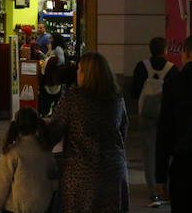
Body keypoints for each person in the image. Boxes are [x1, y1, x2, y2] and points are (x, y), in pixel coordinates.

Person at [49, 52, 128, 213]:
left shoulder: (72, 99)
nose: (77, 73)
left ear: (86, 73)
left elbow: (52, 133)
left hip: (81, 175)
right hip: (114, 171)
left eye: (79, 69)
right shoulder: (116, 99)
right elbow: (123, 129)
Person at [0, 107, 57, 213]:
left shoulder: (12, 152)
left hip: (17, 208)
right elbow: (52, 178)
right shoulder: (45, 150)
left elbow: (0, 186)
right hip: (42, 208)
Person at [132, 37, 177, 208]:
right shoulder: (172, 69)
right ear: (165, 50)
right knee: (167, 151)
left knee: (149, 152)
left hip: (146, 116)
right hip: (166, 116)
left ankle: (153, 191)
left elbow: (134, 91)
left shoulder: (141, 67)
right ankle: (165, 187)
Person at [156, 35, 192, 211]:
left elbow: (165, 131)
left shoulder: (174, 83)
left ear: (187, 53)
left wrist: (160, 175)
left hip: (183, 163)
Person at [39, 33, 67, 116]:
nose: (50, 40)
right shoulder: (56, 48)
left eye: (51, 38)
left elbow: (61, 62)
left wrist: (50, 63)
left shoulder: (58, 49)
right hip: (54, 77)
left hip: (53, 77)